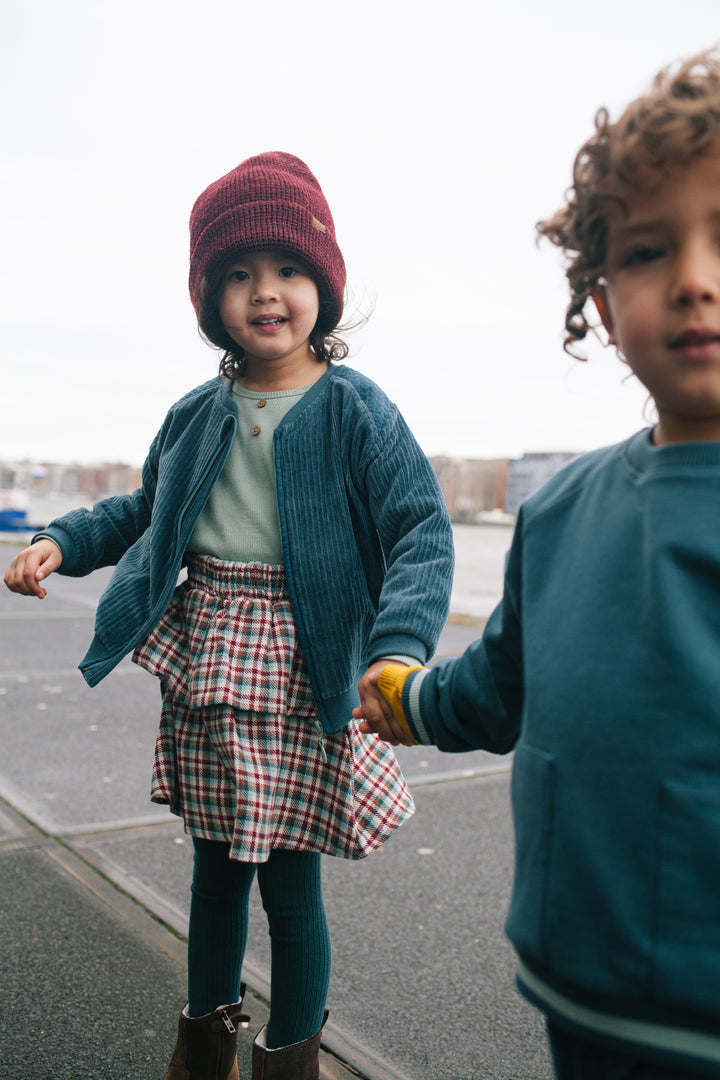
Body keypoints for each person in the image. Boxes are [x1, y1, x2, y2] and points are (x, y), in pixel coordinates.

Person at [3, 152, 454, 1080]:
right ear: (210, 298)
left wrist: (399, 649)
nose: (266, 293)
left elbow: (420, 531)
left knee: (291, 883)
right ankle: (202, 1051)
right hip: (214, 655)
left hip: (309, 661)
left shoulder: (357, 411)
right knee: (215, 874)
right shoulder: (195, 412)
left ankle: (290, 1061)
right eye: (238, 274)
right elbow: (143, 508)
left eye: (287, 270)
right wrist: (62, 539)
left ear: (324, 285)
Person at [358, 51, 720, 1079]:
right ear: (602, 306)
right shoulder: (559, 510)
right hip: (581, 989)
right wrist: (410, 699)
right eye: (651, 250)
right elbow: (499, 685)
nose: (696, 278)